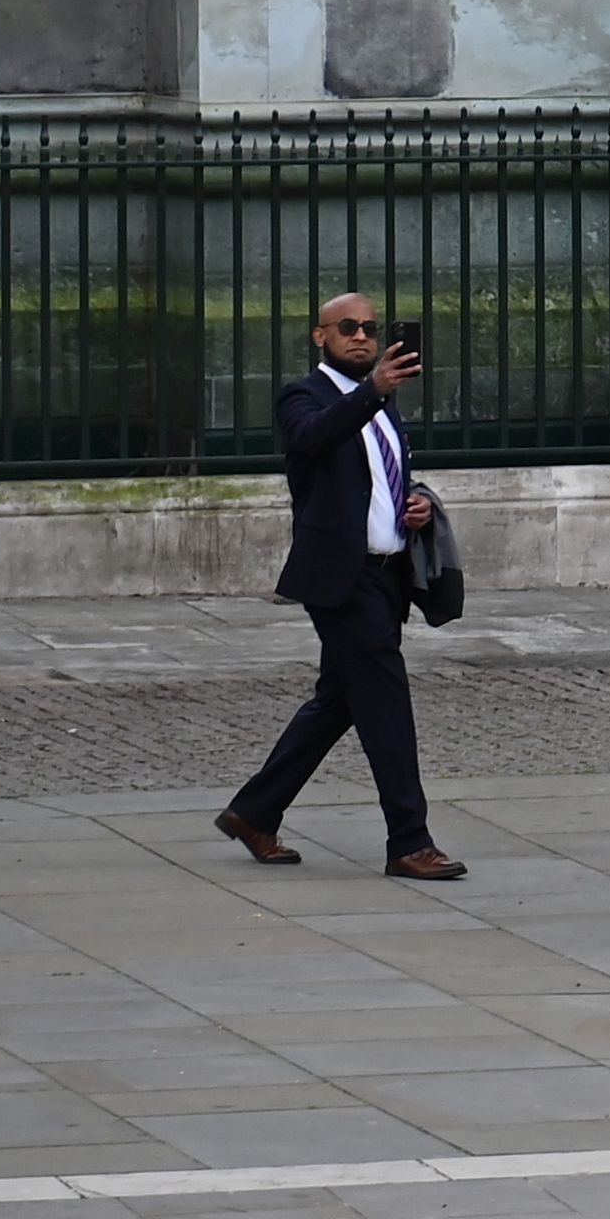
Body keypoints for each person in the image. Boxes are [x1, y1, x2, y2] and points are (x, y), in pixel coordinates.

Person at [214, 295, 467, 880]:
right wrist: (373, 390)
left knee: (338, 702)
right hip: (340, 579)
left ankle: (253, 812)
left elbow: (378, 479)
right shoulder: (306, 396)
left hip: (387, 575)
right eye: (348, 328)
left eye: (370, 328)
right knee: (385, 705)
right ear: (319, 337)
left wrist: (418, 504)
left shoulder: (381, 403)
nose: (361, 336)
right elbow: (313, 438)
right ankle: (409, 840)